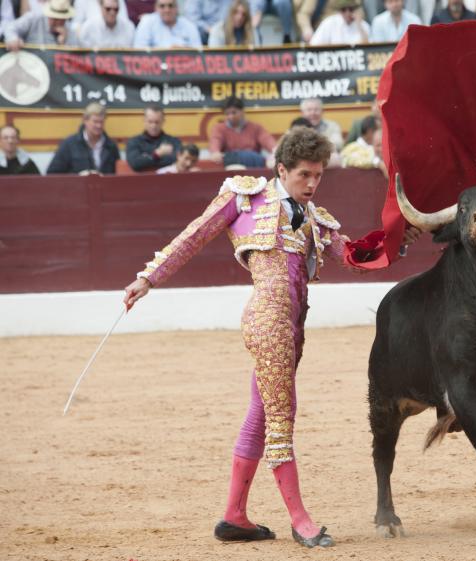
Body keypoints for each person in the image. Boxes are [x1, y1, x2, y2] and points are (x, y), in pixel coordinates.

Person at [123, 127, 352, 549]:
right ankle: (301, 521)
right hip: (268, 321)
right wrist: (147, 278)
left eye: (319, 175)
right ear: (281, 169)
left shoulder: (315, 219)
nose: (313, 184)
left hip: (294, 326)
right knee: (282, 418)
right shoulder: (246, 197)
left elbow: (356, 257)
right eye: (305, 175)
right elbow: (195, 235)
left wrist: (398, 242)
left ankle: (234, 516)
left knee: (261, 414)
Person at [47, 102, 120, 175]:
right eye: (95, 122)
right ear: (85, 120)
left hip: (104, 186)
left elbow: (117, 176)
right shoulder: (69, 144)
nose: (99, 126)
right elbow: (53, 173)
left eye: (101, 122)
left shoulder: (111, 146)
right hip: (76, 186)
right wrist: (79, 177)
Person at [209, 96, 278, 168]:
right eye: (227, 114)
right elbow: (215, 140)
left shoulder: (255, 127)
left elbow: (267, 139)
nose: (231, 116)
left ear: (242, 111)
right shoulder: (218, 128)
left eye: (234, 112)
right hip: (230, 169)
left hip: (253, 167)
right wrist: (215, 152)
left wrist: (275, 150)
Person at [126, 105, 182, 172]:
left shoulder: (174, 141)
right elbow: (135, 163)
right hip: (142, 181)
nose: (153, 126)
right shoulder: (133, 142)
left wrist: (146, 159)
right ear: (144, 121)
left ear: (163, 121)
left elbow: (178, 161)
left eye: (157, 122)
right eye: (150, 122)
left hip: (168, 180)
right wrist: (157, 154)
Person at [4, 0, 77, 50]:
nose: (57, 22)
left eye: (61, 19)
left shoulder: (69, 29)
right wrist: (13, 39)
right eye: (54, 18)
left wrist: (65, 43)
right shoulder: (34, 18)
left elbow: (79, 52)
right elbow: (10, 27)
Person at [133, 0, 202, 47]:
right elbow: (139, 50)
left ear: (177, 8)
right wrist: (167, 52)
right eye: (162, 6)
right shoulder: (147, 22)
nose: (167, 10)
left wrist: (182, 50)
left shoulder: (189, 25)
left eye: (170, 5)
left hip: (184, 64)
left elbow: (198, 51)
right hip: (154, 65)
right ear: (156, 8)